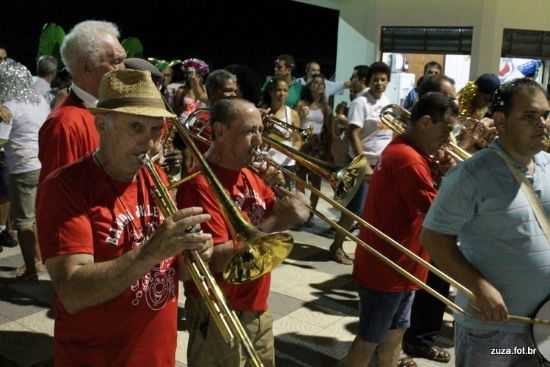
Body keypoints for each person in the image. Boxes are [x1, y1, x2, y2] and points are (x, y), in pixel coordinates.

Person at [37, 69, 213, 366]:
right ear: (102, 125)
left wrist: (193, 254)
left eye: (156, 130)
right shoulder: (65, 187)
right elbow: (72, 290)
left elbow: (170, 272)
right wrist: (152, 250)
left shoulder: (153, 174)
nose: (151, 143)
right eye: (136, 127)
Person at [421, 78, 550, 367]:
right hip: (494, 332)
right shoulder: (470, 175)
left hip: (544, 326)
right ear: (501, 122)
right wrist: (478, 287)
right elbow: (433, 237)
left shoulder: (548, 166)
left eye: (545, 115)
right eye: (529, 116)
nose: (542, 124)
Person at [177, 98, 309, 367]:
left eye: (261, 130)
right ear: (221, 132)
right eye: (250, 131)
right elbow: (215, 258)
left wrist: (292, 203)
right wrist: (279, 222)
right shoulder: (199, 184)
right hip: (220, 312)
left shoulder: (249, 174)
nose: (260, 140)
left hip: (256, 306)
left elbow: (274, 214)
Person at [341, 92, 458, 367]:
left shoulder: (407, 152)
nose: (449, 138)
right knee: (367, 343)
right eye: (447, 129)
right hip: (388, 267)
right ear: (426, 123)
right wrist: (451, 176)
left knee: (393, 338)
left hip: (402, 264)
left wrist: (439, 172)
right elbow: (439, 213)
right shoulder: (408, 159)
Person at [38, 20, 126, 183]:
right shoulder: (64, 124)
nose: (124, 69)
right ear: (87, 67)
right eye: (115, 62)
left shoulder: (110, 112)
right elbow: (57, 198)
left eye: (123, 60)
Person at [329, 62, 392, 264]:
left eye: (383, 80)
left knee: (370, 211)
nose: (379, 83)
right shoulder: (360, 102)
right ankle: (336, 246)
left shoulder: (387, 102)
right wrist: (362, 162)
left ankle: (363, 251)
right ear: (369, 81)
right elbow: (353, 133)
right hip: (360, 163)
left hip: (380, 164)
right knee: (352, 210)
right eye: (376, 79)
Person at [0, 60, 50, 280]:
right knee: (35, 218)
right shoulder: (40, 100)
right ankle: (38, 261)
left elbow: (1, 140)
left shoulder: (9, 106)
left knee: (23, 222)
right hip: (43, 163)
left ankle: (31, 268)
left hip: (22, 167)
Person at [295, 74, 332, 213]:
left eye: (321, 84)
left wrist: (327, 150)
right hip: (303, 143)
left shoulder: (325, 107)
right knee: (300, 179)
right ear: (310, 86)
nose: (318, 86)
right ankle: (301, 210)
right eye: (315, 83)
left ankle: (311, 211)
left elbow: (328, 130)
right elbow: (296, 124)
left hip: (317, 145)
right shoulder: (302, 103)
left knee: (315, 181)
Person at [456, 73, 501, 152]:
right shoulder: (456, 105)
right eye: (486, 99)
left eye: (491, 101)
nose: (487, 104)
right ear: (475, 92)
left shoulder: (483, 110)